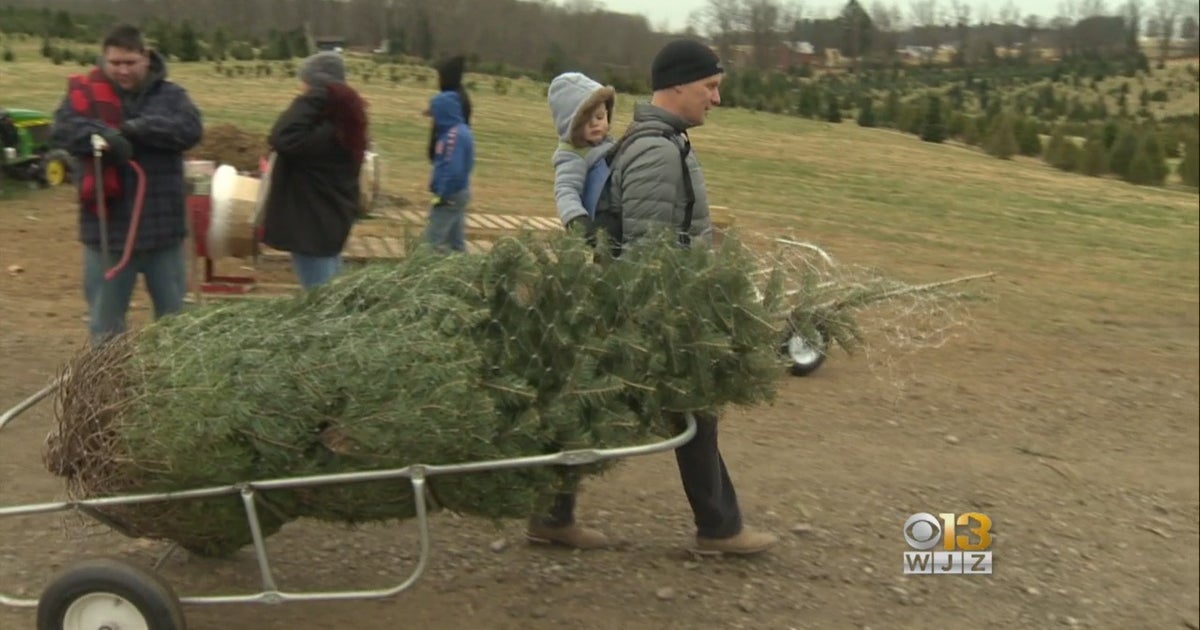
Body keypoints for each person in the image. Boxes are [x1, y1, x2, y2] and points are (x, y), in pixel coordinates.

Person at [528, 38, 780, 556]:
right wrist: (668, 320)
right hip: (653, 314)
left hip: (665, 309)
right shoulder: (654, 151)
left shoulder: (666, 142)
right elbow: (648, 254)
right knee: (613, 410)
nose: (716, 99)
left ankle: (716, 527)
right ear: (679, 85)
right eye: (710, 87)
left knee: (674, 414)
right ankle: (717, 529)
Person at [51, 23, 203, 345]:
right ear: (104, 60)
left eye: (130, 63)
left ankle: (173, 389)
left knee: (175, 325)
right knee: (105, 327)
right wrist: (101, 134)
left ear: (146, 57)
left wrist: (135, 130)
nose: (122, 70)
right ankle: (107, 391)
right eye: (115, 63)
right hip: (108, 232)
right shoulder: (85, 96)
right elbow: (63, 130)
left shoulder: (172, 96)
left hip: (164, 230)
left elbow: (189, 130)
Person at [260, 50, 368, 290]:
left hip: (314, 228)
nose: (301, 90)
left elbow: (282, 136)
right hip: (326, 226)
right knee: (330, 295)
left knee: (320, 302)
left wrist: (315, 95)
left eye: (305, 84)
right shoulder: (342, 126)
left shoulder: (327, 134)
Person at [547, 72, 616, 227]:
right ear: (570, 124)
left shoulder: (609, 143)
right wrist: (577, 220)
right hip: (599, 227)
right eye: (585, 120)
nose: (594, 124)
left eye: (600, 117)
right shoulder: (573, 155)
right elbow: (566, 190)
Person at [424, 90, 475, 252]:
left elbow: (454, 170)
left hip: (450, 195)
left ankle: (431, 272)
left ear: (444, 112)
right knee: (456, 243)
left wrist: (442, 194)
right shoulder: (458, 132)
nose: (434, 119)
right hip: (458, 193)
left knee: (433, 242)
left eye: (435, 114)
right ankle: (466, 273)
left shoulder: (454, 135)